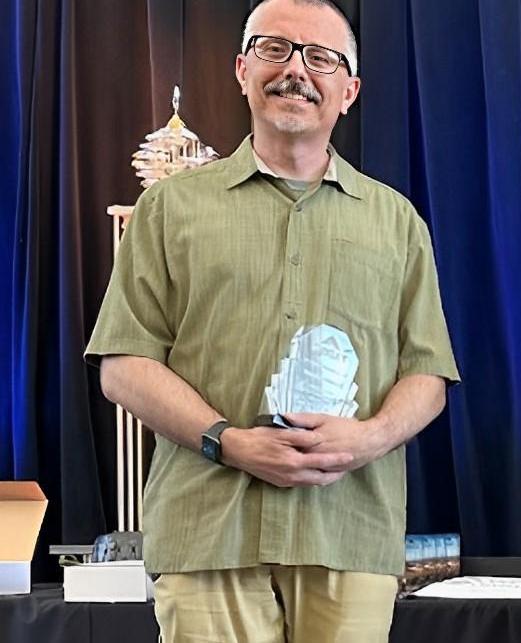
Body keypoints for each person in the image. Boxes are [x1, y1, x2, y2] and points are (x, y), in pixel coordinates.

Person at [85, 0, 459, 640]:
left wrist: (365, 440)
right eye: (275, 49)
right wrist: (227, 440)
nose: (297, 72)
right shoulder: (169, 210)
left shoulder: (397, 223)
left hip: (348, 532)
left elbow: (428, 373)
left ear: (350, 90)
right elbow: (124, 366)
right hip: (209, 531)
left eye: (321, 58)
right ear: (240, 68)